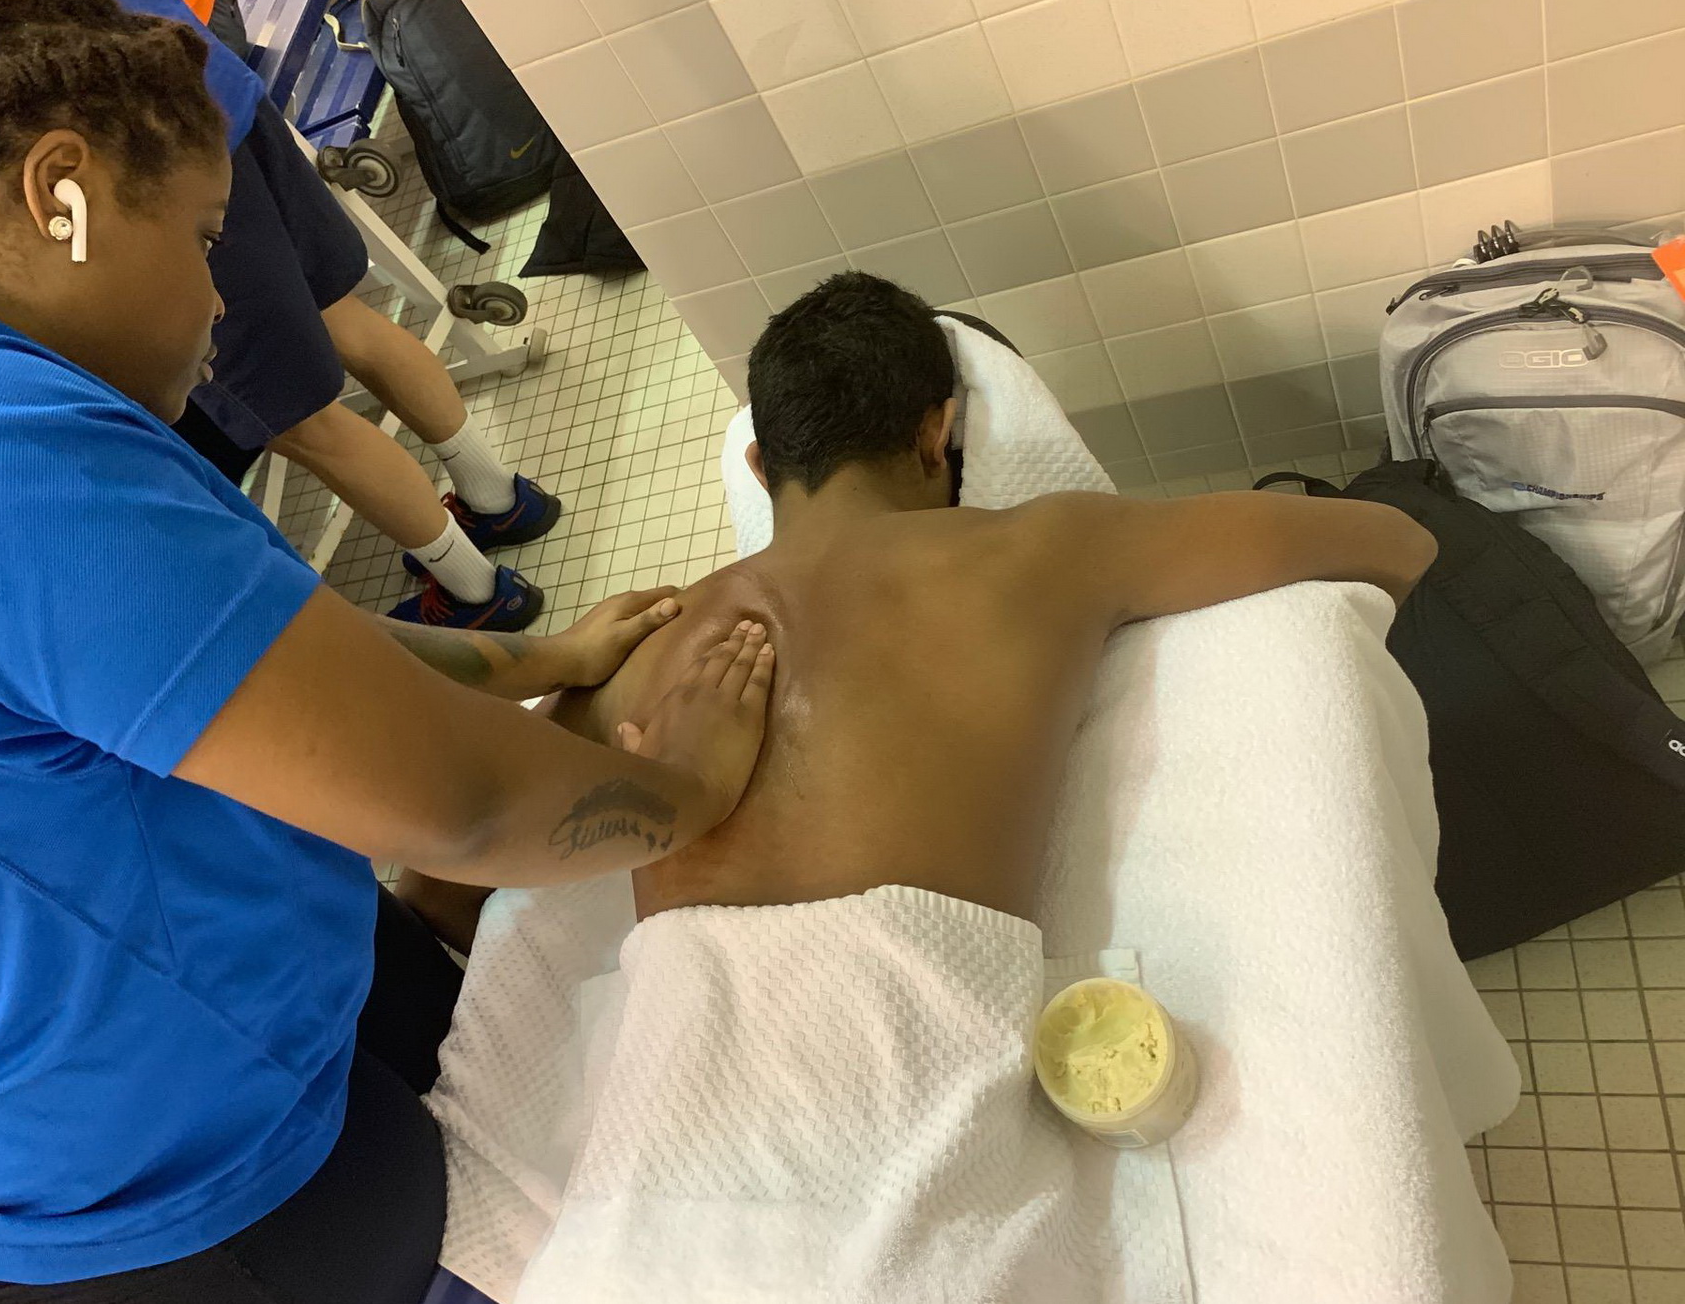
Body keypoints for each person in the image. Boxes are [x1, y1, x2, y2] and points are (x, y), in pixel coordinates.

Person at [0, 0, 774, 1303]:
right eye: (199, 237)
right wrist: (690, 786)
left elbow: (278, 663)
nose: (221, 295)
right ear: (62, 194)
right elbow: (464, 807)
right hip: (152, 1210)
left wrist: (550, 659)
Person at [553, 271, 1438, 923]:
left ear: (759, 467)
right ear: (936, 436)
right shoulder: (1044, 548)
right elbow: (1395, 544)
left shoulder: (635, 649)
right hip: (914, 1071)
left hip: (665, 1087)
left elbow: (476, 875)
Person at [0, 0, 556, 632]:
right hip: (181, 76)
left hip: (116, 182)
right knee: (343, 319)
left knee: (304, 421)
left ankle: (477, 590)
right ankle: (496, 497)